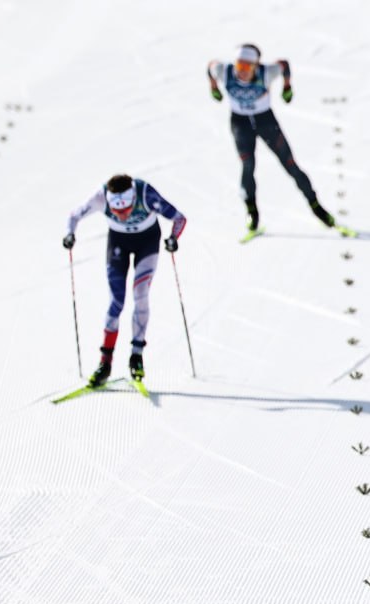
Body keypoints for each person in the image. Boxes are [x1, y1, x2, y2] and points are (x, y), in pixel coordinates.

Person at [62, 173, 186, 387]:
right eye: (116, 211)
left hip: (147, 242)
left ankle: (136, 357)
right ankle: (105, 363)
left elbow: (179, 218)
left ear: (133, 200)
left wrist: (174, 238)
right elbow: (74, 215)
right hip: (118, 243)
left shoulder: (145, 194)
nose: (122, 215)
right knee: (116, 302)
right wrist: (69, 234)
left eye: (126, 210)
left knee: (140, 295)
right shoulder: (101, 197)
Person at [207, 43, 337, 234]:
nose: (242, 71)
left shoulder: (266, 72)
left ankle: (316, 206)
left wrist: (287, 86)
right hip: (240, 123)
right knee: (247, 165)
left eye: (247, 66)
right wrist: (213, 87)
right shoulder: (224, 71)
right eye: (239, 65)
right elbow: (211, 66)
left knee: (290, 164)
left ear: (256, 66)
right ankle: (252, 212)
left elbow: (284, 64)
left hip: (265, 121)